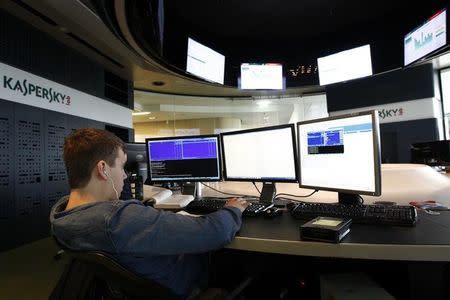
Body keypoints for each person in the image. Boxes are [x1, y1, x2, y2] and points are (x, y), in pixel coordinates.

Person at [50, 128, 249, 299]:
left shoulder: (62, 218)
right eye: (121, 166)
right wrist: (232, 209)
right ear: (103, 169)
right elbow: (214, 232)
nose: (126, 175)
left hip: (138, 288)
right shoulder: (119, 220)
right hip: (181, 285)